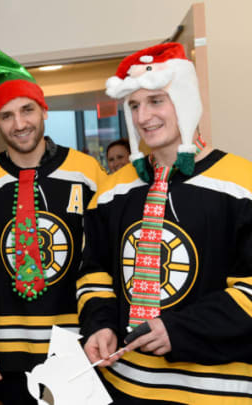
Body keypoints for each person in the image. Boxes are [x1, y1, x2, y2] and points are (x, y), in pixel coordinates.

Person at [78, 42, 252, 404]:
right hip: (127, 386)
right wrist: (101, 324)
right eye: (135, 105)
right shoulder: (112, 191)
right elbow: (94, 273)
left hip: (219, 390)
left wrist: (179, 329)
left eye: (156, 101)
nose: (143, 117)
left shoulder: (242, 184)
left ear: (186, 102)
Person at [0, 49, 106, 404]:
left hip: (78, 343)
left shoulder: (87, 174)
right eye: (7, 115)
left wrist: (104, 326)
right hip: (8, 350)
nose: (19, 124)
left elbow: (106, 261)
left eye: (27, 110)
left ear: (43, 111)